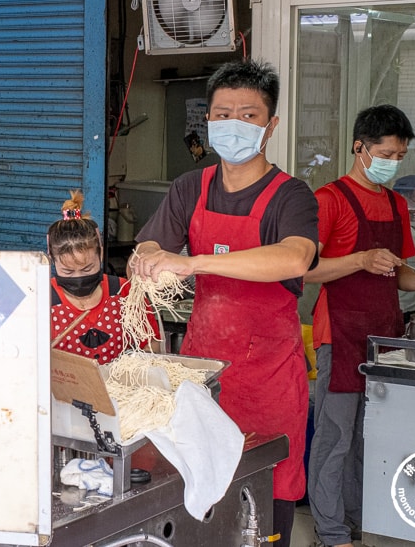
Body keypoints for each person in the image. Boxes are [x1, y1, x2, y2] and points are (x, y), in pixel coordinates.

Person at [129, 59, 318, 547]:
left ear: (270, 125)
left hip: (269, 379)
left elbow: (295, 257)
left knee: (265, 500)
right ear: (208, 121)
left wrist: (195, 264)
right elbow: (150, 246)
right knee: (204, 497)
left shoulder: (290, 195)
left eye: (249, 115)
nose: (234, 123)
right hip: (203, 375)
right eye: (223, 113)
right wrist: (148, 257)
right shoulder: (190, 188)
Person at [305, 105, 415, 547]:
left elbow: (399, 273)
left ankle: (359, 522)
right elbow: (304, 269)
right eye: (387, 153)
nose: (394, 163)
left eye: (400, 156)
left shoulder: (396, 204)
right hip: (339, 334)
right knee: (335, 438)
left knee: (368, 439)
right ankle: (331, 532)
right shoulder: (329, 199)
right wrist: (359, 259)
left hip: (384, 336)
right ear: (359, 147)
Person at [47, 191, 157, 362]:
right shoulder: (44, 301)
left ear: (101, 254)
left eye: (87, 268)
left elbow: (151, 345)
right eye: (68, 272)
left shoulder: (124, 293)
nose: (78, 277)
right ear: (52, 260)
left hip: (119, 386)